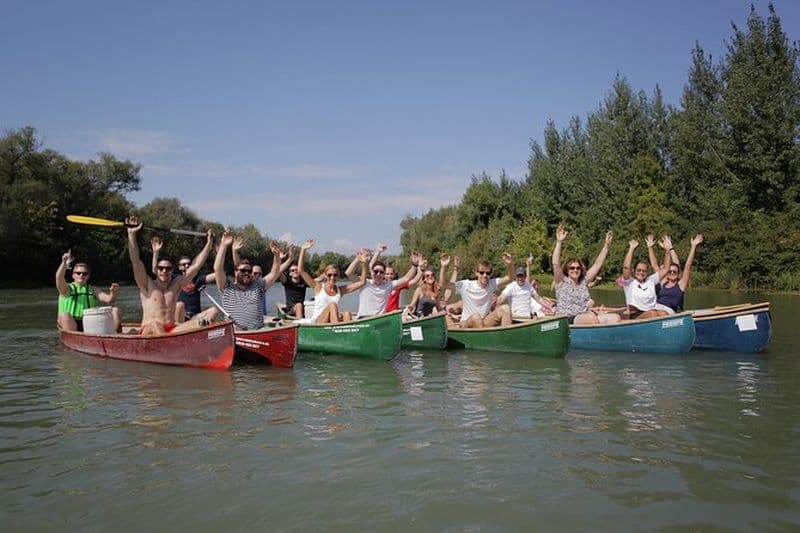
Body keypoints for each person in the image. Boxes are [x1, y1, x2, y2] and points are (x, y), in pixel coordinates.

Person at [126, 216, 218, 336]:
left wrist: (209, 244)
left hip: (171, 330)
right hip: (149, 330)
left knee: (202, 323)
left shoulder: (176, 284)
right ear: (156, 270)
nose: (164, 271)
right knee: (155, 324)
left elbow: (195, 267)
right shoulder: (146, 284)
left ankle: (178, 342)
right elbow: (136, 261)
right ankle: (169, 343)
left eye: (168, 268)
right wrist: (132, 235)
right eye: (161, 268)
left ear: (172, 271)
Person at [552, 224, 620, 325]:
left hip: (585, 315)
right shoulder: (561, 281)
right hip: (567, 318)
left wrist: (606, 246)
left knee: (615, 318)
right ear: (567, 269)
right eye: (572, 268)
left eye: (578, 268)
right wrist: (559, 242)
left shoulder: (584, 281)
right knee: (591, 319)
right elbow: (555, 264)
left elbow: (597, 265)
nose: (575, 270)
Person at [215, 230, 283, 330]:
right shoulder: (227, 287)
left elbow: (274, 274)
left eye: (249, 271)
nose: (246, 273)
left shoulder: (258, 285)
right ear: (235, 272)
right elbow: (218, 268)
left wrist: (276, 256)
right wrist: (224, 245)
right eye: (243, 271)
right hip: (234, 335)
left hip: (257, 333)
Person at [297, 239, 368, 323]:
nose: (332, 277)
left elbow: (362, 282)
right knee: (332, 306)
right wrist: (303, 250)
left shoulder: (340, 290)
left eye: (335, 275)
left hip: (331, 321)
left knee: (346, 313)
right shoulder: (318, 286)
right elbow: (301, 271)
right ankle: (337, 330)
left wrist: (364, 265)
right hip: (318, 321)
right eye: (330, 275)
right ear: (325, 276)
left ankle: (347, 333)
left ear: (338, 277)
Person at [150, 236, 215, 323]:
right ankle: (180, 331)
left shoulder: (198, 280)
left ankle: (200, 328)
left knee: (213, 310)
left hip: (194, 317)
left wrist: (209, 244)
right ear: (179, 267)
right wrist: (155, 252)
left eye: (189, 264)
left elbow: (215, 274)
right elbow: (156, 271)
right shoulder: (175, 280)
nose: (187, 266)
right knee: (179, 305)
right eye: (184, 264)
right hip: (180, 317)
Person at [441, 252, 515, 328]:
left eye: (488, 273)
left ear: (491, 274)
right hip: (467, 322)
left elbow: (510, 278)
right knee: (476, 317)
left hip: (484, 321)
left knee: (506, 308)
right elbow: (444, 284)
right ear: (476, 273)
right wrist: (443, 266)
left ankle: (506, 337)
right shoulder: (466, 285)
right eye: (481, 272)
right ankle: (485, 338)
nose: (485, 275)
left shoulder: (492, 284)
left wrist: (510, 264)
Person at [56, 250, 121, 332]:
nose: (81, 275)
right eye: (78, 273)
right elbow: (59, 278)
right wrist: (64, 262)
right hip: (70, 322)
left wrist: (113, 293)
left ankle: (113, 335)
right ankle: (73, 338)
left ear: (88, 276)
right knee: (65, 315)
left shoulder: (92, 289)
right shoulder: (66, 289)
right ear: (73, 275)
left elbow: (109, 299)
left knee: (115, 310)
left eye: (84, 273)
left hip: (88, 321)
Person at [356, 250, 422, 317]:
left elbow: (408, 279)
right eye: (387, 274)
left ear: (394, 275)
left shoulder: (393, 285)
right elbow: (371, 266)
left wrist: (416, 266)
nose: (389, 276)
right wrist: (378, 252)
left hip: (391, 315)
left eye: (391, 274)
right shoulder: (370, 282)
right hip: (380, 315)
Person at [620, 238, 670, 319]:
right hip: (637, 315)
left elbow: (666, 269)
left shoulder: (651, 280)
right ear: (634, 271)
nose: (641, 273)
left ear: (647, 272)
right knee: (652, 314)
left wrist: (667, 250)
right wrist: (631, 248)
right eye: (639, 270)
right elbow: (626, 267)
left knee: (664, 313)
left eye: (644, 271)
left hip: (652, 311)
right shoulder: (629, 282)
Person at [656, 234, 704, 312]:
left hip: (667, 313)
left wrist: (693, 246)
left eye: (674, 272)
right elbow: (666, 266)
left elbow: (687, 265)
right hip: (655, 309)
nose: (671, 273)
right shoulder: (663, 282)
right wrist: (667, 249)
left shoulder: (681, 285)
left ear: (678, 274)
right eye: (670, 271)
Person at [499, 256, 554, 320]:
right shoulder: (511, 287)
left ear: (525, 276)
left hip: (528, 315)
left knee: (543, 316)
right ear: (515, 277)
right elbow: (501, 299)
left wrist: (549, 307)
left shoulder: (529, 286)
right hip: (516, 316)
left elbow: (538, 298)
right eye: (518, 276)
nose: (520, 279)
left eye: (522, 276)